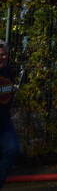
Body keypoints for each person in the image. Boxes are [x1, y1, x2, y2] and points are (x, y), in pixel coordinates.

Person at [0, 42, 19, 188]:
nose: (3, 57)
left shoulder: (9, 71)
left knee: (12, 149)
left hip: (4, 120)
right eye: (0, 55)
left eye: (5, 54)